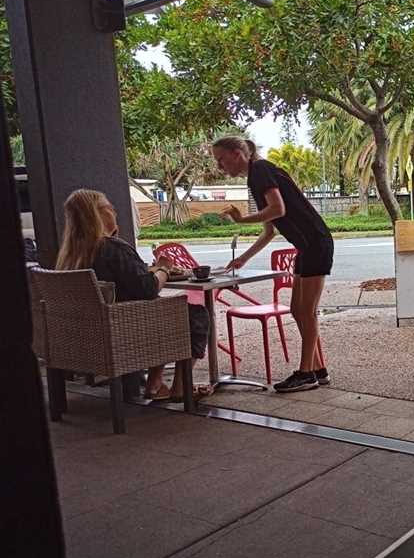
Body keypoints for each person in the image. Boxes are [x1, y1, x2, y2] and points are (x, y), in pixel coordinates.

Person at [55, 189, 210, 401]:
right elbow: (148, 288)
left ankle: (154, 384)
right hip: (125, 335)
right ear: (97, 214)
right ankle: (181, 386)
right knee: (195, 315)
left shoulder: (70, 256)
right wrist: (163, 268)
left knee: (160, 311)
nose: (115, 211)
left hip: (88, 339)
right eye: (109, 207)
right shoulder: (112, 248)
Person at [212, 136, 333, 393]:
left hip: (315, 242)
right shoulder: (255, 176)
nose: (220, 167)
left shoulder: (261, 170)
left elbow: (277, 209)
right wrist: (244, 258)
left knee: (306, 311)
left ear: (237, 154)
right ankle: (318, 369)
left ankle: (306, 373)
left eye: (221, 160)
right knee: (297, 309)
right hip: (306, 245)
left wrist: (242, 220)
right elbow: (270, 231)